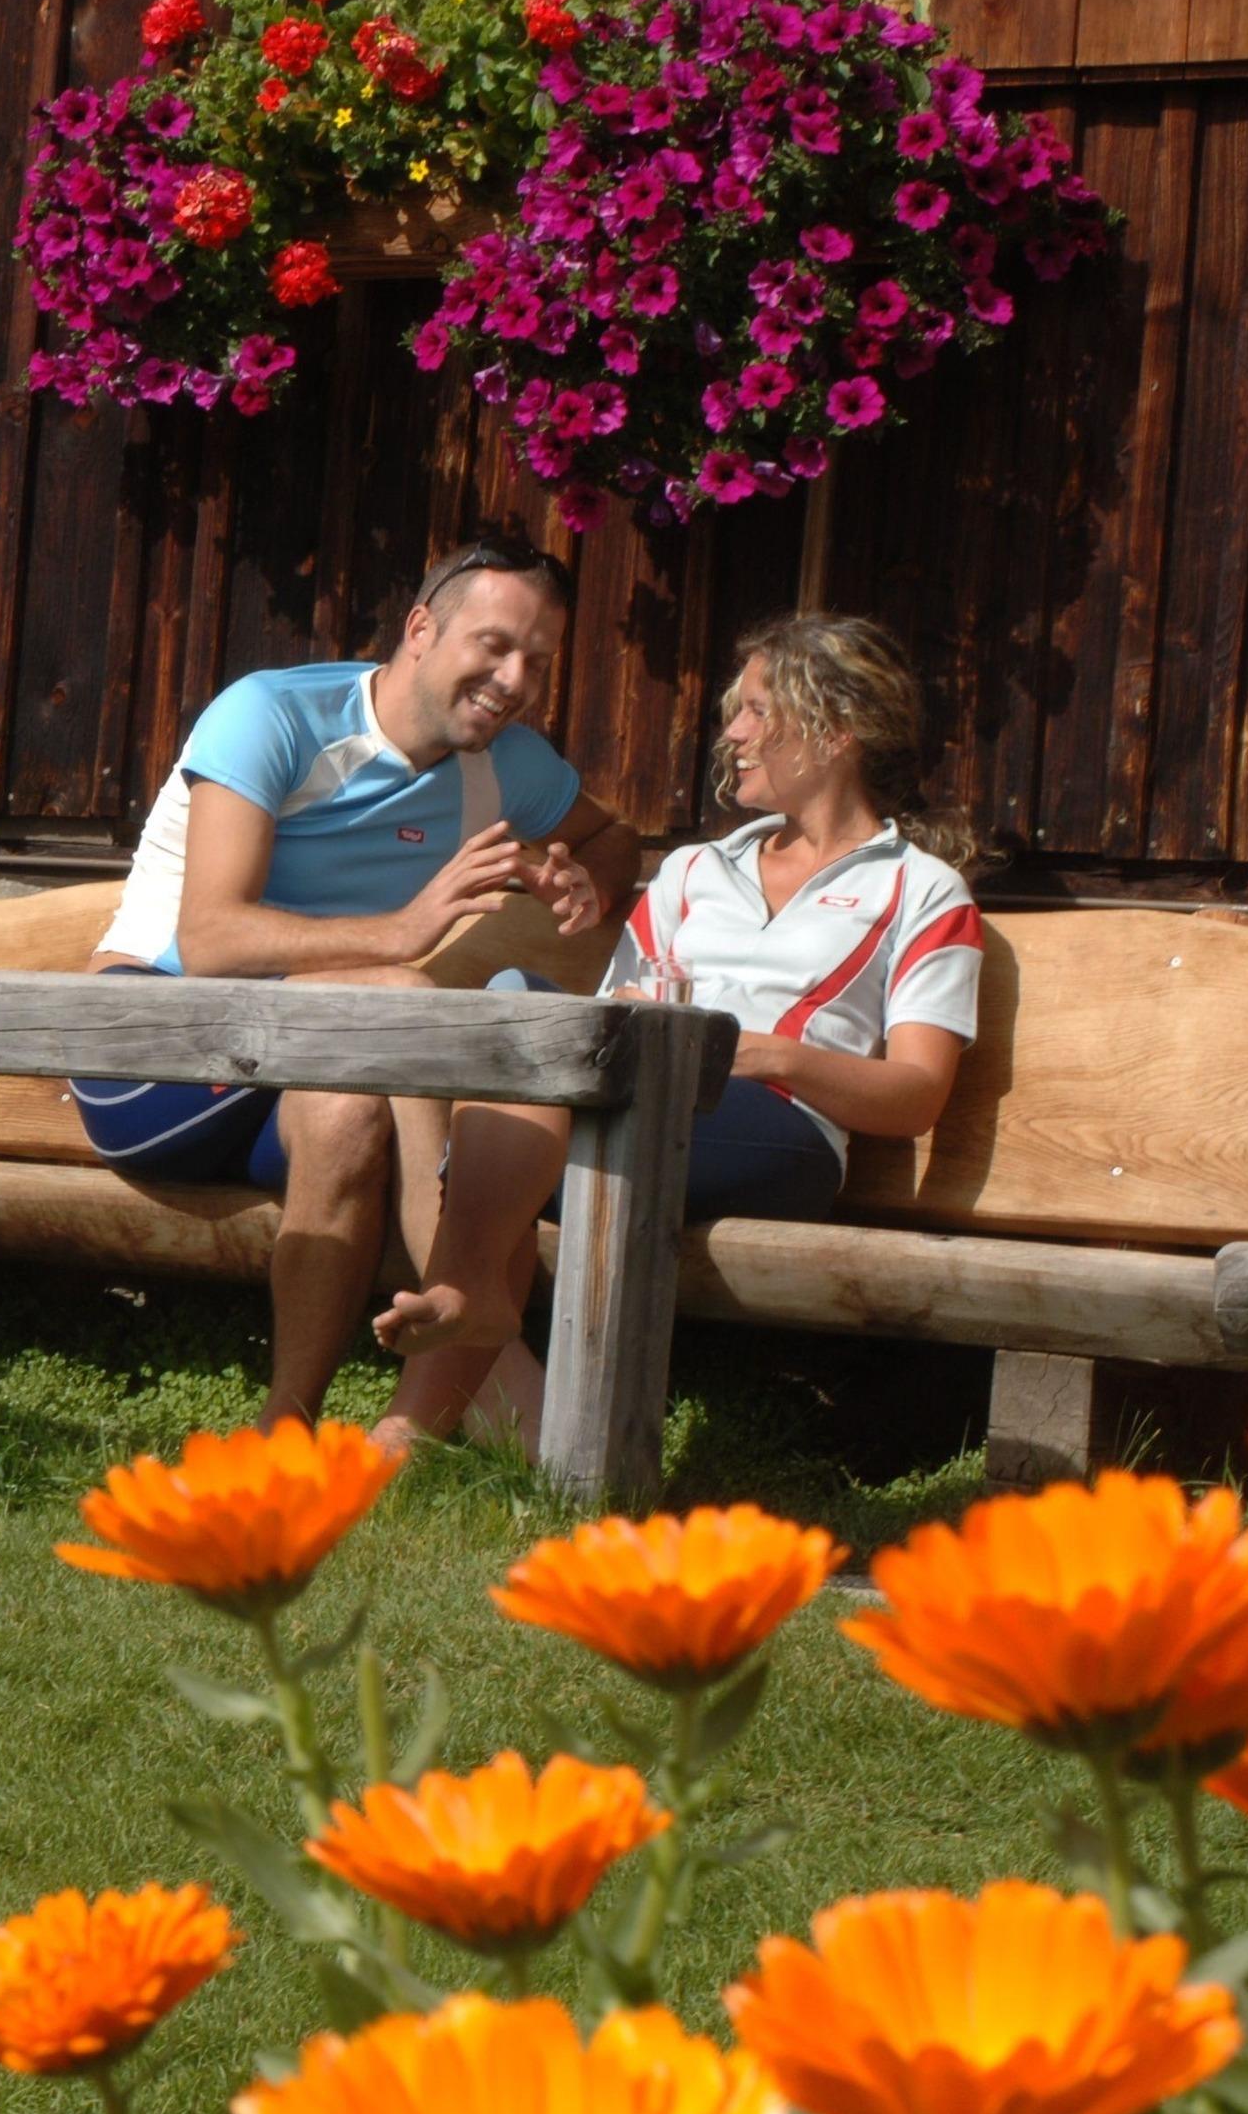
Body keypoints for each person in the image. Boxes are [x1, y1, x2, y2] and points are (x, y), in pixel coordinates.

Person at [75, 538, 640, 1443]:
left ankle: (288, 1429)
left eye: (537, 661)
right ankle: (462, 1288)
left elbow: (613, 838)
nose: (514, 680)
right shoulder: (272, 716)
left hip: (311, 1067)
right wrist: (402, 934)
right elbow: (210, 941)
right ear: (421, 629)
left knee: (350, 1102)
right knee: (397, 995)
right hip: (150, 1051)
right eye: (494, 645)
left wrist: (587, 882)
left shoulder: (507, 765)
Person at [376, 614, 981, 1378]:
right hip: (645, 1103)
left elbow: (917, 1096)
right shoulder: (696, 870)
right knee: (521, 1008)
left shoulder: (921, 889)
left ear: (837, 732)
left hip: (783, 1136)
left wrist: (756, 1055)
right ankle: (444, 1349)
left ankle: (463, 1295)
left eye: (758, 710)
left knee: (519, 1133)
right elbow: (607, 1028)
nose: (734, 733)